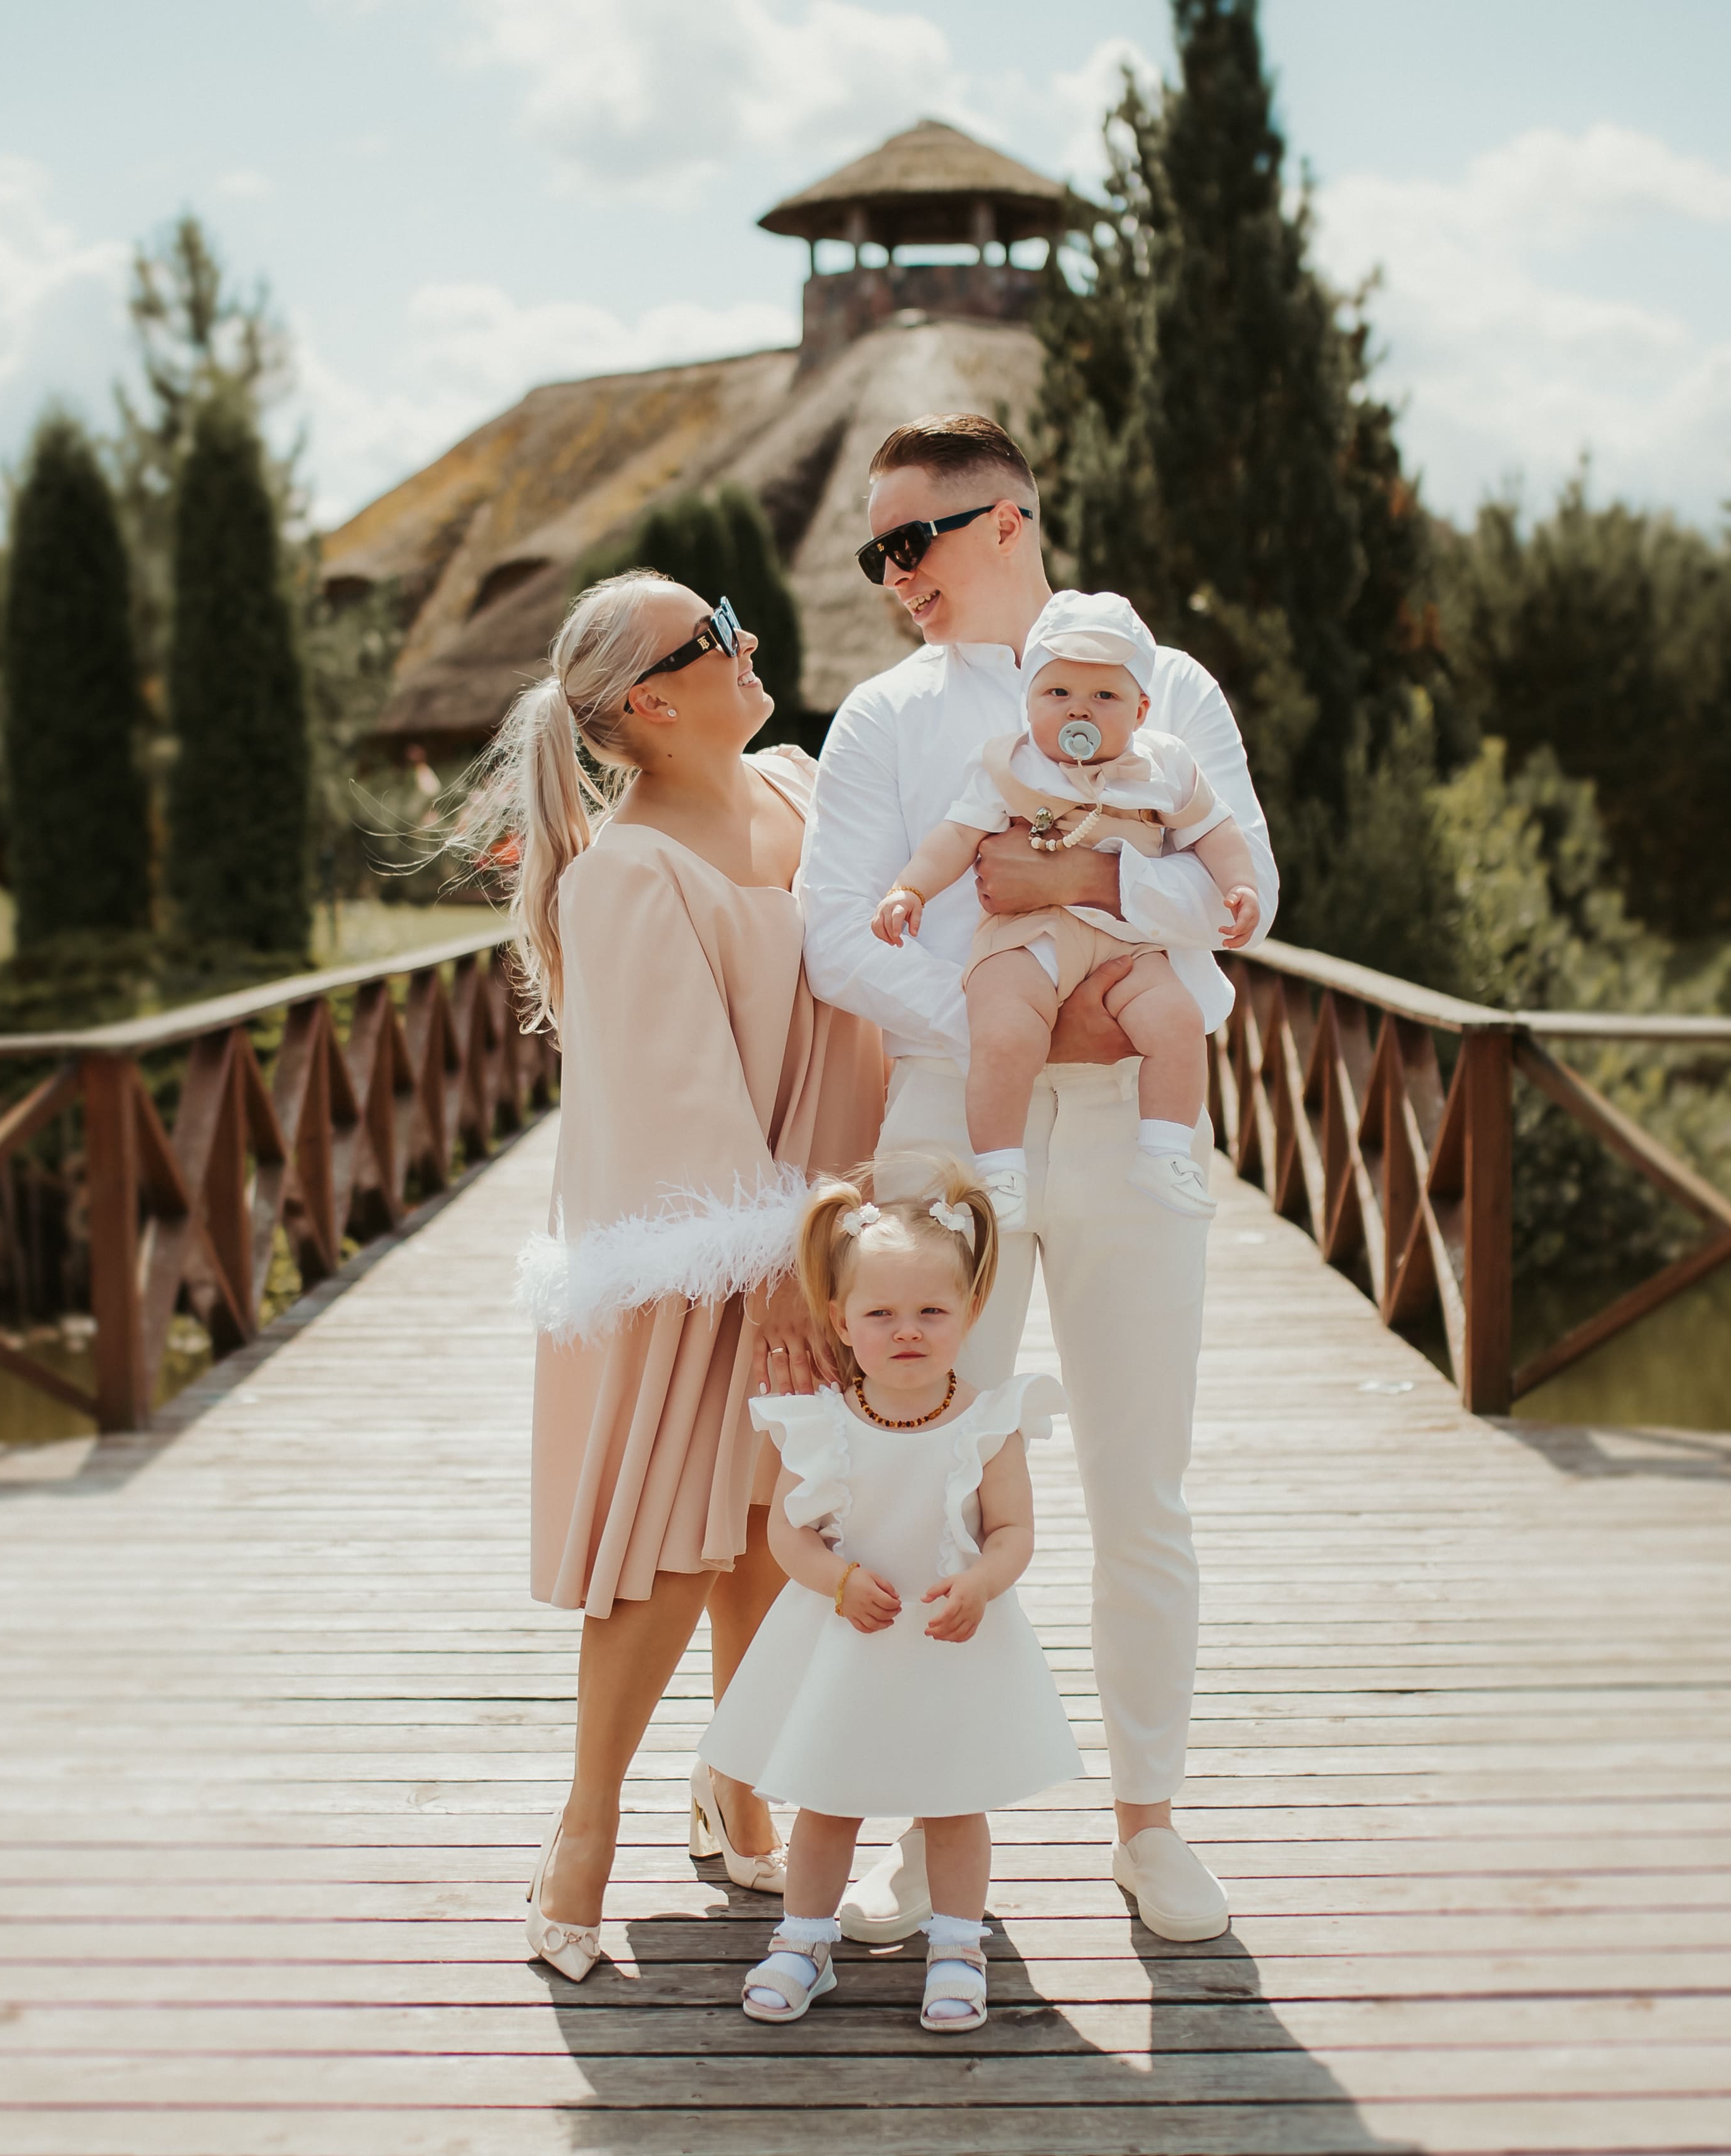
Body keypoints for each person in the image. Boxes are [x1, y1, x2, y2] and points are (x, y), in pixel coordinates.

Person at [803, 413, 1279, 1946]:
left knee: (1141, 1485)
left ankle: (1149, 1824)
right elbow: (835, 932)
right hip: (951, 1129)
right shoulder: (883, 716)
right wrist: (1008, 1020)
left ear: (1004, 520)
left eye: (911, 541)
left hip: (1141, 1120)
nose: (893, 575)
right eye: (876, 552)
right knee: (922, 1478)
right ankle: (922, 1829)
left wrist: (1086, 886)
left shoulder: (1169, 686)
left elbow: (1249, 894)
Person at [472, 572, 886, 1982]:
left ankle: (737, 1778)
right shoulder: (624, 874)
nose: (745, 636)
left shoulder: (799, 784)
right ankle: (584, 1827)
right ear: (649, 699)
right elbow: (673, 1099)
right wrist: (771, 1271)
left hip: (831, 1226)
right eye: (714, 629)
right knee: (669, 1538)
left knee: (774, 1523)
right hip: (708, 1249)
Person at [698, 1156, 1079, 2033]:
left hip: (948, 1640)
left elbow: (1012, 1531)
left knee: (951, 1803)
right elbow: (788, 1534)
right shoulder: (820, 1420)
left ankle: (957, 1945)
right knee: (828, 1798)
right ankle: (804, 1939)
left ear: (970, 1312)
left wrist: (981, 1581)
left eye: (930, 1312)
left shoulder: (988, 1421)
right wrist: (835, 1579)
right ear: (840, 1319)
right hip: (848, 1640)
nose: (906, 1331)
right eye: (880, 1314)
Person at [872, 588, 1262, 1224]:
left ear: (1140, 709)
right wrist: (909, 889)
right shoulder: (1011, 765)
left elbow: (1216, 831)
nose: (1078, 708)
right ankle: (999, 1168)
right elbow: (956, 835)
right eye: (1057, 693)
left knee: (1176, 1021)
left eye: (1104, 695)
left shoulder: (1163, 766)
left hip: (1127, 942)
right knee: (1002, 1029)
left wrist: (1238, 885)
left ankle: (1165, 1151)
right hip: (1027, 937)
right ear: (1028, 702)